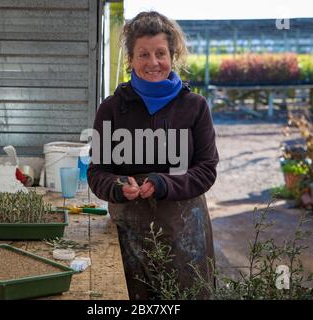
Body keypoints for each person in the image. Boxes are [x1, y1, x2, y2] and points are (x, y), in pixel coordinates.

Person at [87, 11, 219, 300]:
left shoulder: (195, 107)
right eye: (143, 54)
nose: (153, 62)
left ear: (173, 55)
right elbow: (97, 172)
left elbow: (207, 170)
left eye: (160, 53)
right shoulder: (111, 109)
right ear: (131, 59)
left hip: (185, 231)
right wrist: (118, 187)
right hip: (130, 231)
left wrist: (163, 184)